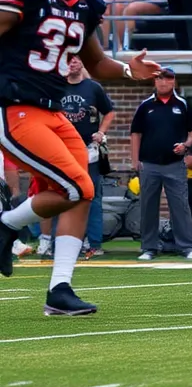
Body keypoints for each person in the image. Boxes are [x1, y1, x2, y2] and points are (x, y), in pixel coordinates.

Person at [0, 0, 161, 315]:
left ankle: (60, 290)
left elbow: (96, 62)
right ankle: (5, 225)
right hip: (15, 107)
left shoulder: (85, 5)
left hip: (53, 111)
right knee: (71, 186)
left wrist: (127, 71)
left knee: (83, 190)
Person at [130, 68, 192, 261]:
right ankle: (149, 248)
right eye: (159, 79)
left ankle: (187, 247)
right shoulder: (145, 106)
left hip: (175, 164)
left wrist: (185, 145)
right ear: (155, 82)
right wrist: (135, 160)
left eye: (167, 79)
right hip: (149, 164)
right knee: (148, 206)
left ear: (173, 82)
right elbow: (136, 133)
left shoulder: (184, 104)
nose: (163, 83)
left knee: (180, 206)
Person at [59, 57, 115, 256]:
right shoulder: (56, 86)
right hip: (62, 149)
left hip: (88, 150)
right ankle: (65, 242)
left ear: (82, 62)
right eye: (68, 60)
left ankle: (94, 244)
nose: (72, 63)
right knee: (64, 195)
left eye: (76, 59)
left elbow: (109, 112)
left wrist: (101, 132)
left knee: (92, 195)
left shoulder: (93, 88)